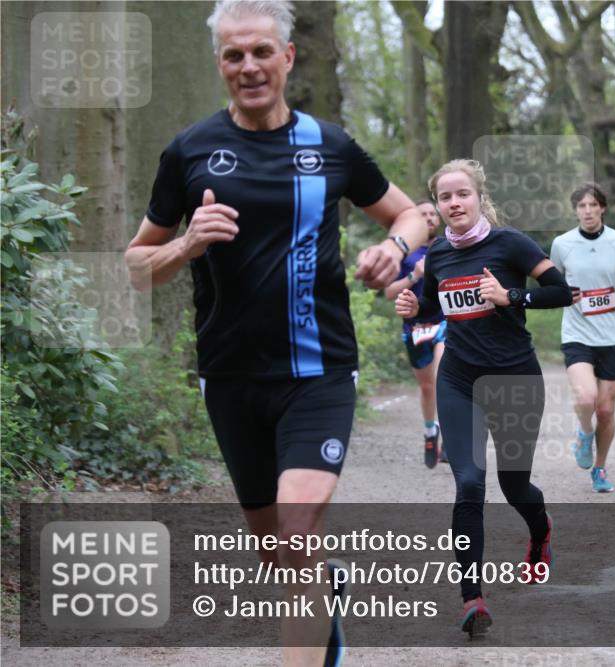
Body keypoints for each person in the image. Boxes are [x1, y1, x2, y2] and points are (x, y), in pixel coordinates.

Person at [123, 2, 427, 665]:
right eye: (234, 55)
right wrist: (186, 246)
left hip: (319, 372)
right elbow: (135, 265)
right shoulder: (189, 151)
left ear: (288, 57)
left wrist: (394, 251)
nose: (249, 66)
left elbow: (412, 215)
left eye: (262, 51)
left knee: (295, 531)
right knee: (279, 548)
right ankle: (324, 597)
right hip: (231, 377)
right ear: (220, 65)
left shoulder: (331, 146)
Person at [394, 159, 572, 636]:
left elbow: (561, 292)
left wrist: (512, 297)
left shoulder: (510, 243)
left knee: (515, 486)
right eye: (445, 197)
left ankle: (540, 531)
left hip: (515, 379)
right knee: (469, 483)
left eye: (462, 194)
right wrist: (415, 307)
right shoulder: (438, 254)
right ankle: (472, 599)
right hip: (459, 380)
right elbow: (434, 304)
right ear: (438, 205)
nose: (454, 203)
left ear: (478, 196)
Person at [550, 183, 615, 493]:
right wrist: (561, 294)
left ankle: (600, 468)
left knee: (606, 411)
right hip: (577, 334)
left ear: (602, 208)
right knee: (586, 399)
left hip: (611, 337)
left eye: (593, 205)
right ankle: (584, 433)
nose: (587, 211)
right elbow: (550, 284)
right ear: (576, 211)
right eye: (581, 206)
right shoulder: (562, 244)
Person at [383, 199, 448, 468]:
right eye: (423, 214)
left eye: (433, 214)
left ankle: (451, 440)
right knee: (427, 386)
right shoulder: (403, 252)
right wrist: (414, 275)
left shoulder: (449, 246)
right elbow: (388, 292)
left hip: (446, 322)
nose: (430, 218)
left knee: (443, 377)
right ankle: (430, 433)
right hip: (415, 326)